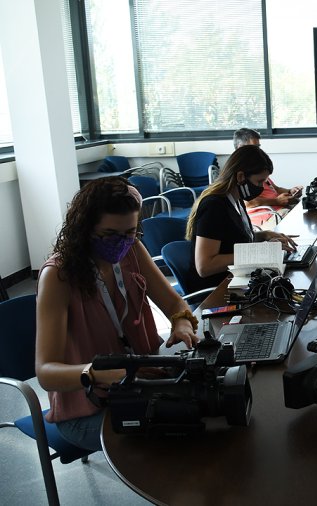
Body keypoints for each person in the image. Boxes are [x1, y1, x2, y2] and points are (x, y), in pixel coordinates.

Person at [35, 177, 200, 452]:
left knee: (202, 410)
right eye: (110, 235)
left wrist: (181, 323)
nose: (121, 244)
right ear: (84, 229)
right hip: (88, 407)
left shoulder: (131, 249)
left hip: (142, 386)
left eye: (130, 233)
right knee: (174, 435)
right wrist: (105, 374)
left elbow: (175, 304)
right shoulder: (58, 276)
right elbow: (46, 373)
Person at [186, 144, 297, 290]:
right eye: (259, 181)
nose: (262, 187)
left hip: (239, 278)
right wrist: (260, 252)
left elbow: (235, 239)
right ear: (240, 177)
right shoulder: (214, 206)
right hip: (218, 289)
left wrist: (265, 235)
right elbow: (204, 266)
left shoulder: (236, 199)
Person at [232, 128, 303, 226]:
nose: (258, 151)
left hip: (280, 209)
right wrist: (277, 201)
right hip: (268, 215)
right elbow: (247, 202)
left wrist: (290, 191)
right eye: (254, 147)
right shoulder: (239, 173)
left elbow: (275, 189)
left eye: (258, 147)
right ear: (241, 148)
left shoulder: (258, 167)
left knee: (307, 207)